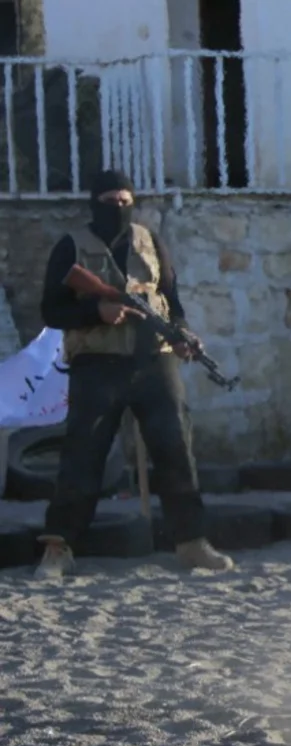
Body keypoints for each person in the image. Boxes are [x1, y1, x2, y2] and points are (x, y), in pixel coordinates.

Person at [33, 169, 235, 579]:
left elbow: (171, 300)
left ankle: (192, 541)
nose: (119, 208)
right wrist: (97, 311)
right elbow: (52, 311)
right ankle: (59, 547)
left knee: (175, 447)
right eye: (111, 201)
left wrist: (182, 335)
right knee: (82, 454)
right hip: (97, 363)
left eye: (126, 201)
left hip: (154, 360)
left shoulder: (150, 241)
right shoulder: (72, 246)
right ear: (95, 203)